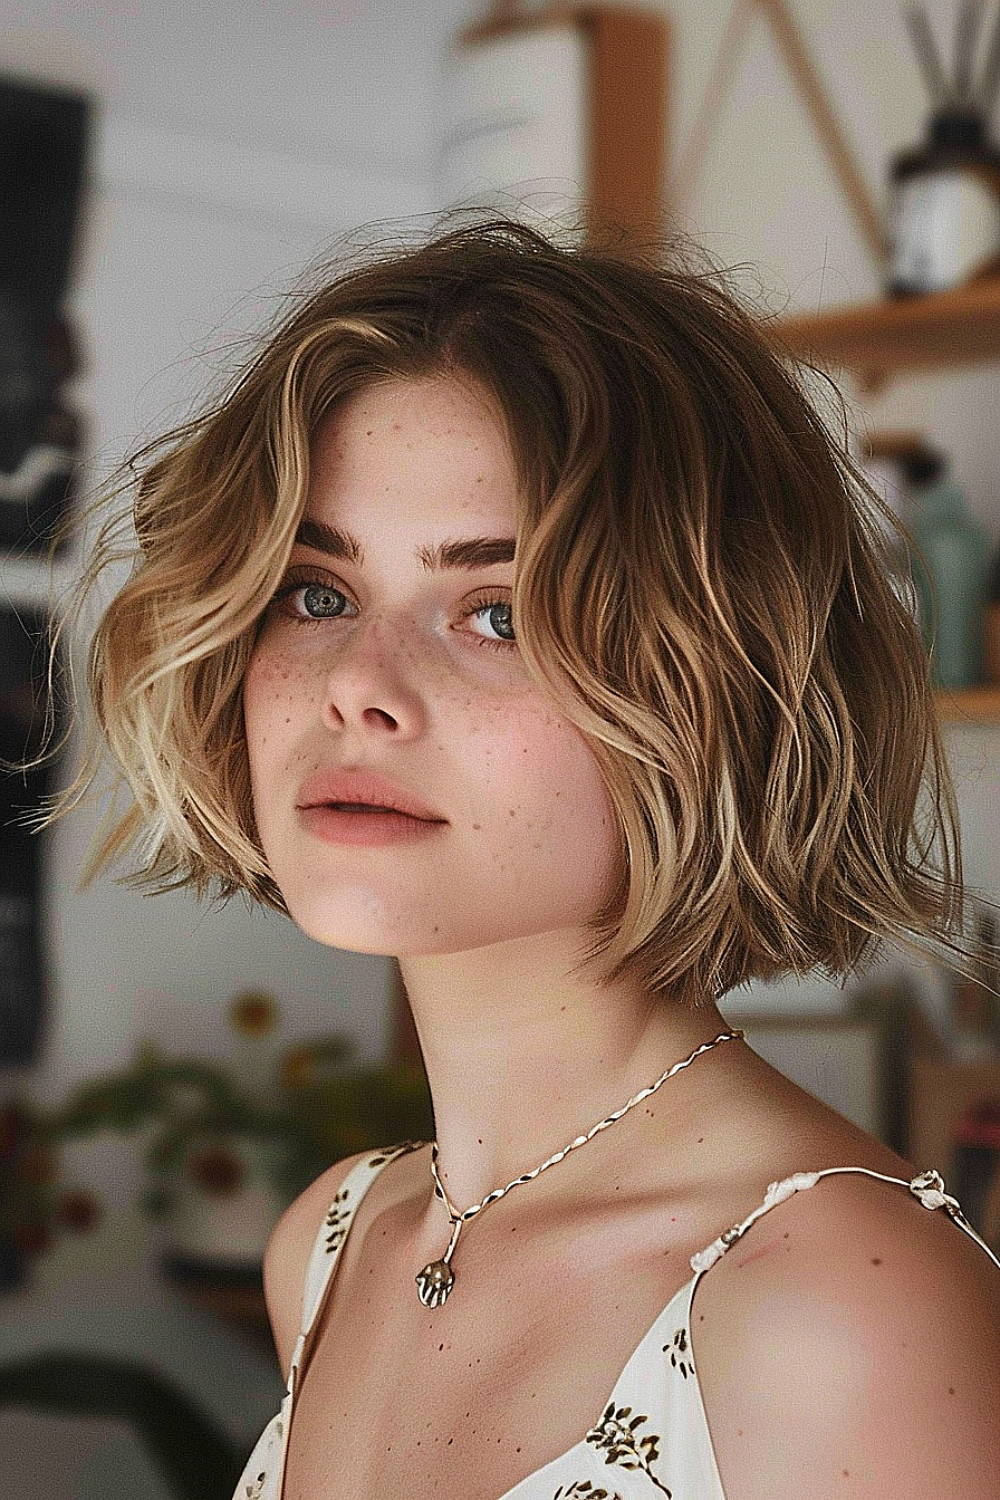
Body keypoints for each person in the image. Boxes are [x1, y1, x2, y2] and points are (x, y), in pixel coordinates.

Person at [29, 214, 1000, 1499]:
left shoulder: (836, 1307)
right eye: (318, 593)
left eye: (496, 612)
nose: (357, 688)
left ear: (722, 690)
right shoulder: (330, 1243)